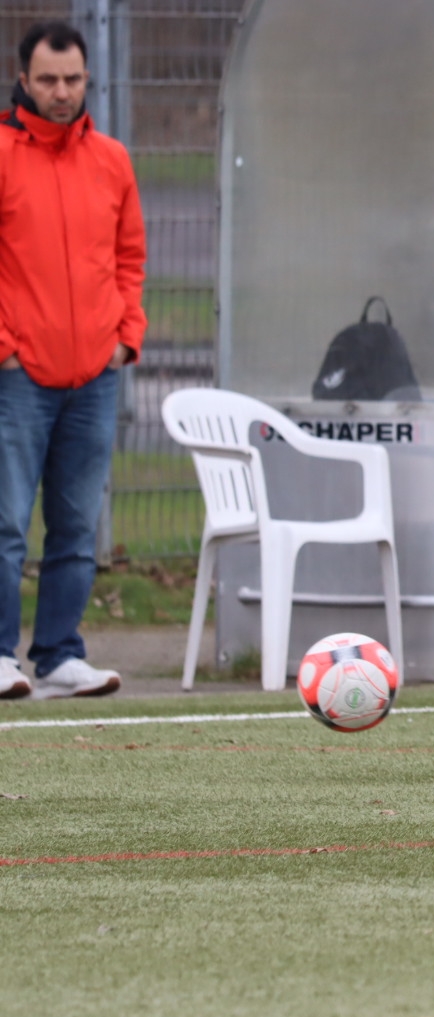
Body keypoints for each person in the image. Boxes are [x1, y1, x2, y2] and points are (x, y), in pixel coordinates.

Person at [0, 21, 145, 700]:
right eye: (48, 80)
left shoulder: (112, 160)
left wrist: (125, 337)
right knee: (5, 524)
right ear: (23, 81)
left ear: (88, 80)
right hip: (17, 378)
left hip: (93, 377)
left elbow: (130, 257)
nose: (61, 92)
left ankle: (59, 656)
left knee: (77, 528)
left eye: (72, 79)